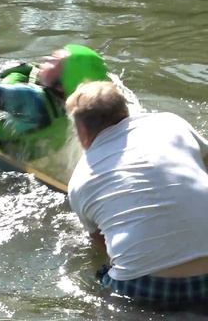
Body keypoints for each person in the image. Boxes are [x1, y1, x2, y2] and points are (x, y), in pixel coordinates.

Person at [66, 81, 208, 307]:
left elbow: (102, 244)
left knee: (94, 282)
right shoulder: (170, 123)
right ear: (126, 111)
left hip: (147, 286)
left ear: (82, 131)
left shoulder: (80, 180)